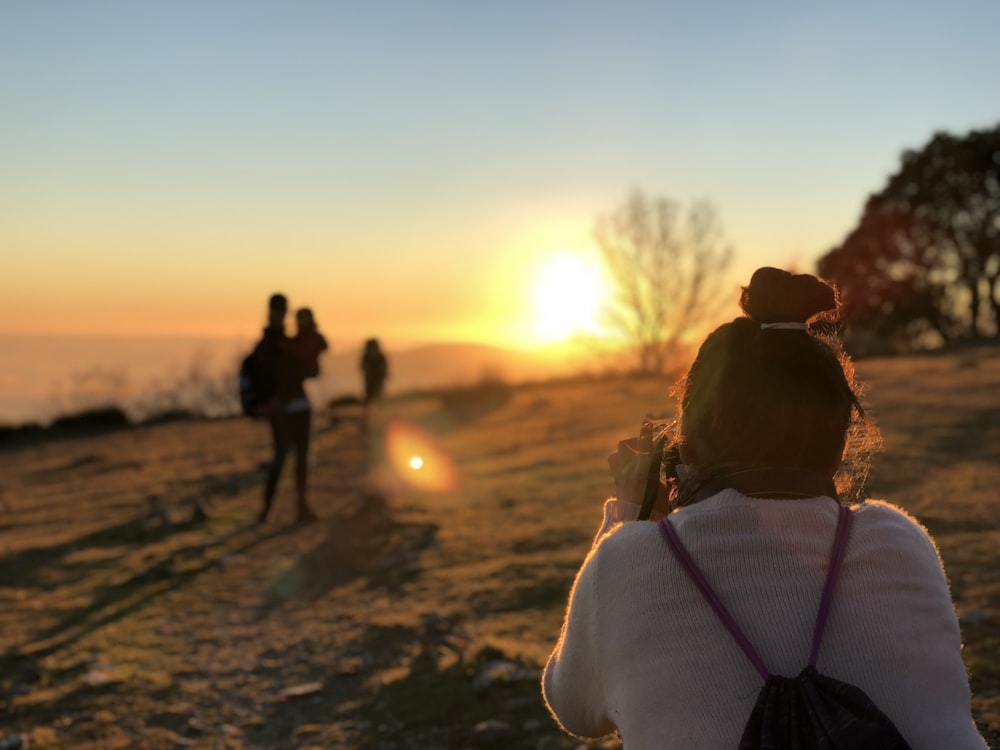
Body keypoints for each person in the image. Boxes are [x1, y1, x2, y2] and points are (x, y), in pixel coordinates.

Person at [542, 268, 987, 749]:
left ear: (687, 445)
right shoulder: (900, 540)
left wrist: (628, 522)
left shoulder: (627, 560)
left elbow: (576, 707)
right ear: (838, 444)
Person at [251, 293, 320, 525]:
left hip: (290, 407)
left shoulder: (276, 344)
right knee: (290, 458)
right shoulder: (281, 344)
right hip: (290, 408)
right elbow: (311, 370)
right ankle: (276, 510)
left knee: (288, 458)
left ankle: (273, 511)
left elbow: (312, 370)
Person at [284, 307, 329, 377]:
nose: (300, 322)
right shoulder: (297, 340)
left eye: (303, 319)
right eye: (300, 319)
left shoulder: (316, 339)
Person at [359, 338, 388, 427]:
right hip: (373, 381)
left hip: (373, 381)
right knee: (374, 399)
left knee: (372, 399)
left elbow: (363, 367)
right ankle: (372, 418)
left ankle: (371, 418)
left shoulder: (368, 356)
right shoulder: (378, 356)